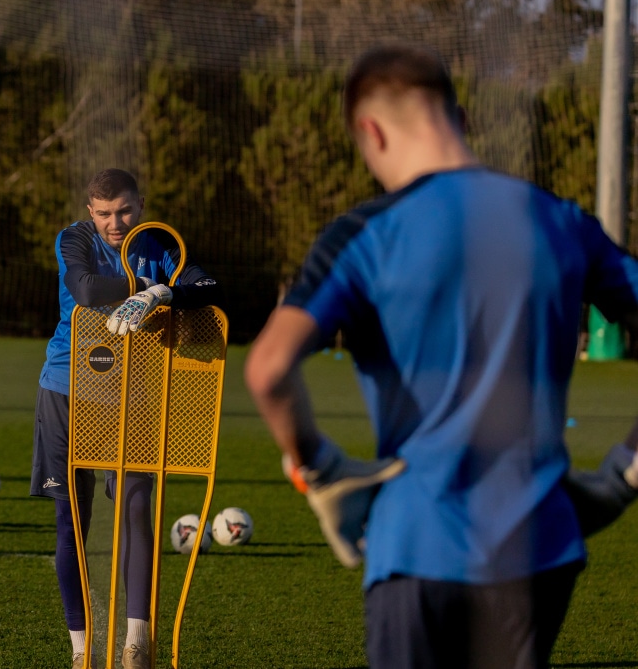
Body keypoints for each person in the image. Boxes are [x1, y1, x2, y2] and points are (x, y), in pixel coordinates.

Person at [244, 43, 638, 669]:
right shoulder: (562, 222)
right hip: (541, 551)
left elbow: (268, 367)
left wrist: (319, 470)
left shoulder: (366, 235)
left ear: (369, 131)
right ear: (461, 119)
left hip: (419, 545)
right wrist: (624, 472)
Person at [31, 168, 222, 669]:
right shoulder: (73, 238)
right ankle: (80, 650)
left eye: (125, 211)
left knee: (136, 510)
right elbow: (88, 290)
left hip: (133, 398)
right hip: (66, 390)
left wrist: (164, 294)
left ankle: (137, 643)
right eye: (104, 213)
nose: (115, 223)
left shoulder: (159, 243)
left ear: (141, 204)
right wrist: (141, 284)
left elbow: (210, 285)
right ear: (90, 210)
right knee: (71, 521)